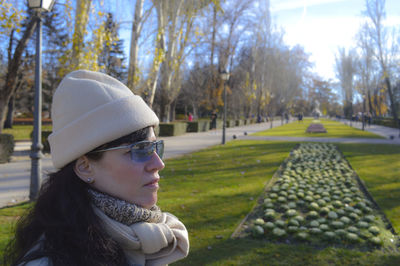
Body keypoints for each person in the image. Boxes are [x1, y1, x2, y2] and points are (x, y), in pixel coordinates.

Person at [4, 70, 189, 266]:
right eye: (140, 150)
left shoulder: (147, 240)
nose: (158, 164)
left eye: (155, 147)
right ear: (85, 167)